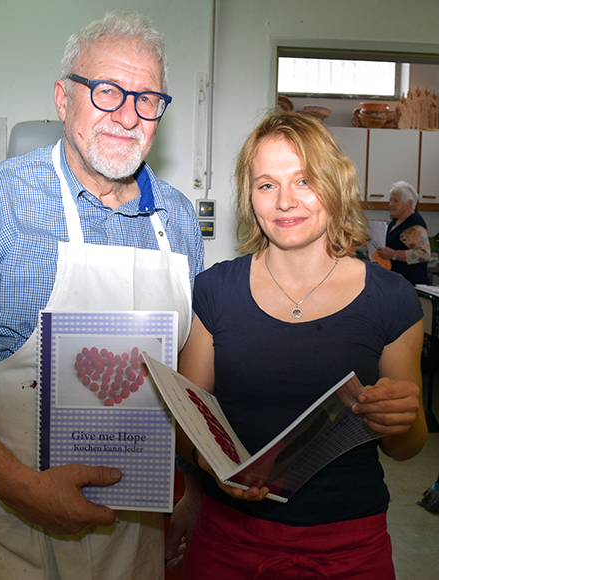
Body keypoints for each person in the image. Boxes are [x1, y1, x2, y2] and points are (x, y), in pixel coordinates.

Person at [0, 11, 204, 580]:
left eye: (148, 99)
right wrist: (26, 490)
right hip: (2, 533)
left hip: (134, 539)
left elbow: (184, 379)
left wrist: (194, 495)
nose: (127, 116)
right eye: (107, 92)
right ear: (64, 99)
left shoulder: (177, 219)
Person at [166, 111, 427, 579]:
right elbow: (187, 422)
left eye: (304, 180)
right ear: (250, 198)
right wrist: (209, 461)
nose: (285, 201)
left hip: (351, 546)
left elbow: (406, 448)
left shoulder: (391, 300)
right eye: (266, 185)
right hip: (229, 540)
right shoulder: (214, 291)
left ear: (335, 185)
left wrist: (399, 421)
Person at [375, 180, 431, 285]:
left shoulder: (414, 225)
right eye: (390, 200)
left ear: (409, 203)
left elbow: (424, 254)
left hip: (410, 283)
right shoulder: (397, 220)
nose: (390, 204)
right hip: (397, 280)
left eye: (395, 201)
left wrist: (393, 254)